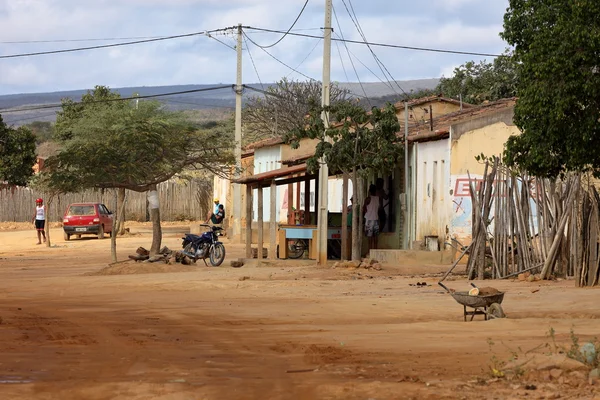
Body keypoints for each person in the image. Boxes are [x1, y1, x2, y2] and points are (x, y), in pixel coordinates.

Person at [363, 185, 380, 251]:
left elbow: (364, 209)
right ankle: (375, 252)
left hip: (369, 220)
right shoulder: (378, 199)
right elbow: (379, 208)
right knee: (375, 238)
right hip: (376, 219)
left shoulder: (368, 199)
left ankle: (369, 252)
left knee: (369, 238)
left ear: (369, 191)